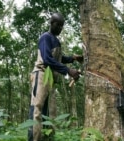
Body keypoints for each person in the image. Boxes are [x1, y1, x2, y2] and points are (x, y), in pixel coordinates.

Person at [28, 12, 83, 141]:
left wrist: (73, 58)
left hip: (51, 78)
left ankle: (47, 138)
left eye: (62, 26)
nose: (60, 28)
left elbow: (58, 58)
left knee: (49, 113)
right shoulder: (45, 37)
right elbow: (47, 59)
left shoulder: (56, 40)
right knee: (37, 109)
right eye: (58, 25)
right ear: (51, 23)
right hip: (41, 74)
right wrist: (68, 71)